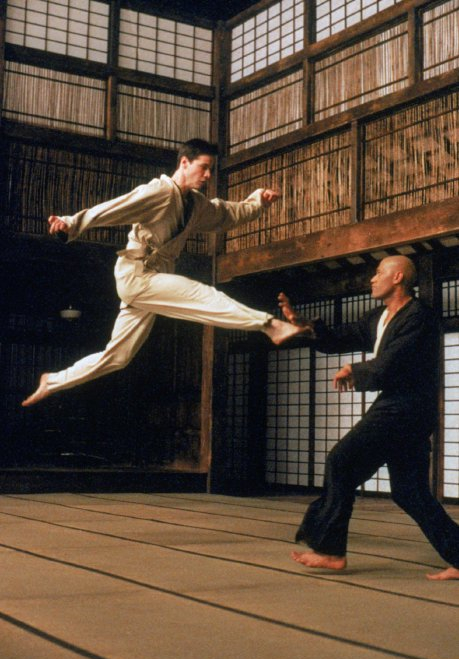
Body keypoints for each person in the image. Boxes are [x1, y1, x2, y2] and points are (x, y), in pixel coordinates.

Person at [22, 138, 307, 407]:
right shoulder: (159, 192)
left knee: (118, 357)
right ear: (184, 163)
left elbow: (226, 214)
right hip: (138, 275)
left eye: (211, 169)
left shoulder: (195, 204)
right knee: (201, 295)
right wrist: (71, 223)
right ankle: (270, 325)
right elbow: (113, 208)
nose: (208, 175)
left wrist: (258, 202)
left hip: (153, 279)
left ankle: (53, 381)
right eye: (203, 167)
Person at [279, 255, 459, 581]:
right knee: (410, 492)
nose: (372, 279)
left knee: (341, 461)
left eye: (378, 273)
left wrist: (356, 370)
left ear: (398, 277)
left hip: (406, 407)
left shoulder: (418, 317)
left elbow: (394, 361)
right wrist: (303, 324)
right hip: (400, 408)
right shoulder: (380, 317)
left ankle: (331, 551)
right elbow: (340, 337)